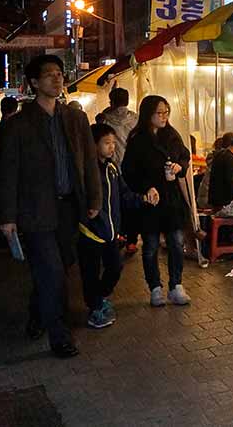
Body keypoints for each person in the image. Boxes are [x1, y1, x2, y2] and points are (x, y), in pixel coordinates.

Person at [0, 54, 102, 358]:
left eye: (59, 74)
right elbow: (8, 172)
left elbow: (89, 162)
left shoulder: (75, 118)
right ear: (33, 83)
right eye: (49, 75)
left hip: (69, 208)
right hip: (34, 210)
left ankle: (36, 313)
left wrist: (94, 199)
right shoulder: (19, 124)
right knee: (54, 273)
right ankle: (60, 336)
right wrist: (7, 217)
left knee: (57, 269)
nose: (57, 79)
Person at [79, 123, 157, 329]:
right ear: (93, 145)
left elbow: (124, 194)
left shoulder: (112, 168)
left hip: (111, 231)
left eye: (113, 143)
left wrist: (143, 199)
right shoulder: (86, 170)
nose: (112, 147)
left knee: (115, 267)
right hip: (91, 232)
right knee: (90, 272)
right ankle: (95, 308)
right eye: (106, 143)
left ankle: (100, 297)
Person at [122, 95, 192, 307]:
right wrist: (145, 187)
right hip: (150, 200)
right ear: (147, 114)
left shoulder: (171, 135)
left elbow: (184, 155)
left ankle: (176, 285)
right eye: (159, 113)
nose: (164, 117)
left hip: (171, 198)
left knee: (177, 243)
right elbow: (128, 170)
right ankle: (155, 288)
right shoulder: (137, 139)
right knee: (151, 245)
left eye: (166, 112)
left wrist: (181, 166)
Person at [99, 87, 139, 253]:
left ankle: (119, 234)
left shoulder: (105, 120)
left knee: (116, 202)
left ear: (112, 102)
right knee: (133, 203)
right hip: (134, 168)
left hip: (114, 167)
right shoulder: (136, 119)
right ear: (127, 101)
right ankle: (132, 241)